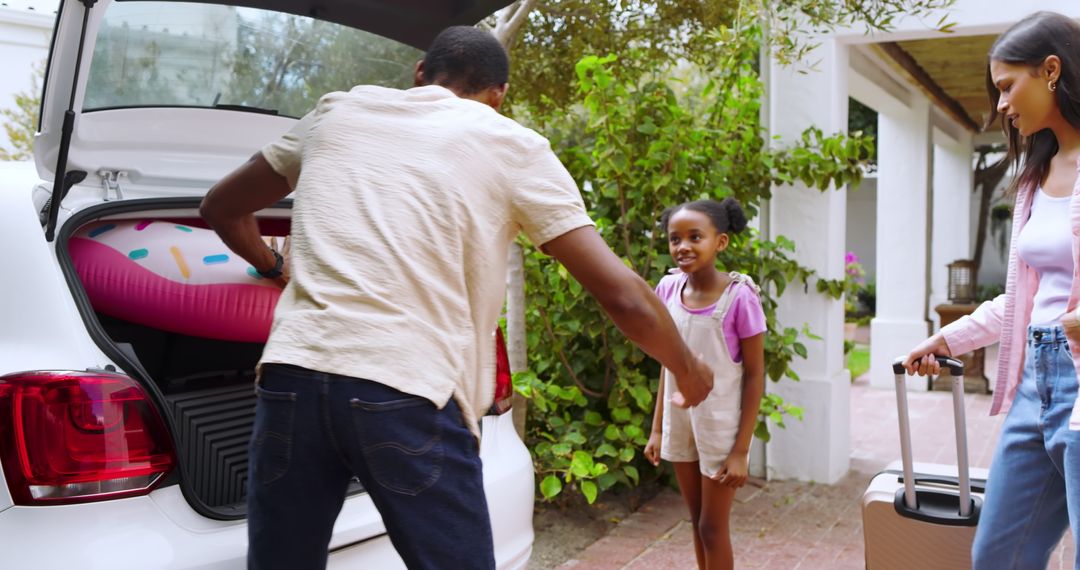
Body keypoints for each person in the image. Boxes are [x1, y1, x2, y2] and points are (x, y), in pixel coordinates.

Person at [199, 25, 714, 570]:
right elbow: (624, 296)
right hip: (406, 385)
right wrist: (687, 366)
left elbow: (220, 207)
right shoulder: (510, 142)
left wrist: (275, 266)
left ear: (419, 73)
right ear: (499, 96)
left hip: (293, 375)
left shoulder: (337, 111)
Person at [903, 11, 1080, 569]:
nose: (1001, 104)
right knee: (997, 556)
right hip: (1036, 382)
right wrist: (948, 340)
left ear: (1051, 70)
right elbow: (1022, 298)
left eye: (1007, 86)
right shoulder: (1036, 176)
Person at [643, 198, 766, 570]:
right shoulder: (667, 290)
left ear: (721, 242)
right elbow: (670, 365)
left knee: (713, 528)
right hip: (681, 422)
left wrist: (741, 450)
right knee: (697, 524)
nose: (683, 246)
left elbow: (756, 374)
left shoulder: (739, 298)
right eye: (674, 239)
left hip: (721, 426)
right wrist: (657, 430)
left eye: (695, 237)